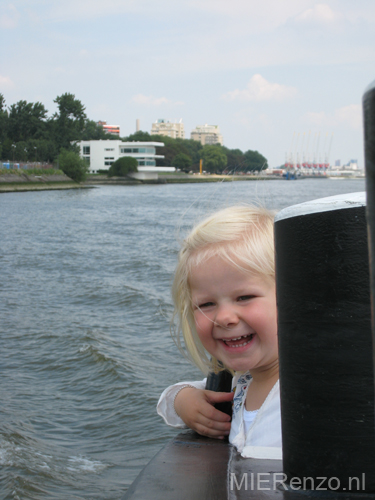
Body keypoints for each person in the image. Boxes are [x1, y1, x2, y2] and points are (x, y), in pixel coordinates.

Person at [157, 205, 281, 459]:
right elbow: (170, 401)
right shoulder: (240, 382)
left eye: (244, 297)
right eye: (206, 304)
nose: (224, 317)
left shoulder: (315, 391)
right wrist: (184, 400)